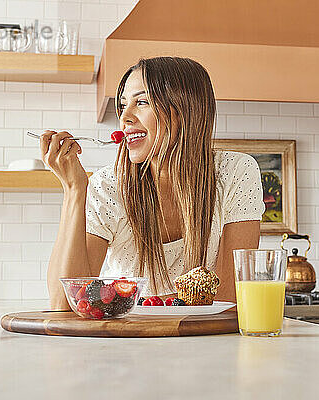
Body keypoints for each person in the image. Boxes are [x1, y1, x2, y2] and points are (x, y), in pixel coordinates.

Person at [41, 57, 265, 310]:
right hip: (129, 341)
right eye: (124, 104)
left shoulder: (235, 172)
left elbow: (228, 301)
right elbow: (63, 303)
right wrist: (74, 190)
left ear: (185, 109)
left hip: (206, 340)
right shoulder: (109, 186)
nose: (124, 117)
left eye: (142, 102)